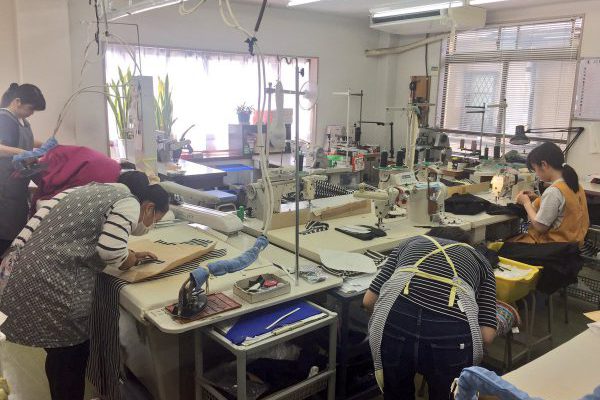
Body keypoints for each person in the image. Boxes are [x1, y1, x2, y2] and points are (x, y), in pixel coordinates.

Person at [0, 171, 169, 400]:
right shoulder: (128, 201)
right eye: (156, 220)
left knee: (59, 355)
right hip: (53, 281)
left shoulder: (87, 190)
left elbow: (78, 234)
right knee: (71, 356)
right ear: (148, 208)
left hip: (21, 271)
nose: (151, 226)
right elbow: (110, 252)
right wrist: (128, 259)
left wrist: (129, 253)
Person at [364, 227, 497, 400]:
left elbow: (368, 301)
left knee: (396, 394)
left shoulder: (409, 243)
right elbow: (487, 336)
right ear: (466, 246)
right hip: (450, 334)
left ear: (428, 237)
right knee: (445, 395)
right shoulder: (481, 261)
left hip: (396, 322)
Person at [0, 83, 47, 255]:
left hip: (17, 186)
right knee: (5, 234)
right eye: (31, 108)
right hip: (4, 186)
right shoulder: (4, 119)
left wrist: (45, 145)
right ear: (17, 101)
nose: (32, 113)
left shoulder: (22, 122)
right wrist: (23, 153)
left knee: (15, 232)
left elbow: (24, 140)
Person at [512, 141, 589, 245]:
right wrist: (538, 198)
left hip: (554, 248)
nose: (537, 174)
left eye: (535, 169)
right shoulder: (576, 185)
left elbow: (540, 227)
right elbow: (563, 210)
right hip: (574, 245)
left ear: (544, 165)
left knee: (503, 245)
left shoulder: (554, 191)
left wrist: (526, 203)